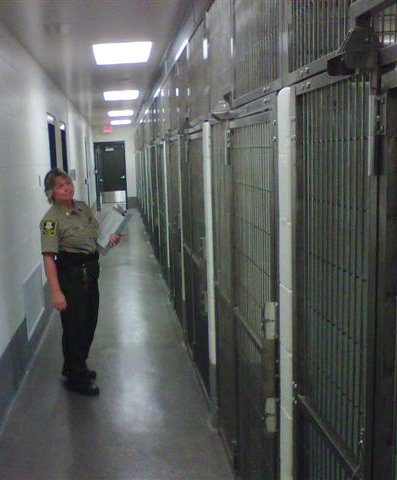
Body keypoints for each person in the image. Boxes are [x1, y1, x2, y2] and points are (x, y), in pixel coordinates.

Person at [40, 168, 123, 396]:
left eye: (67, 183)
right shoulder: (50, 220)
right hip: (71, 277)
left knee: (89, 323)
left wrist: (110, 240)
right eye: (60, 186)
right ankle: (76, 376)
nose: (66, 188)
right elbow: (48, 258)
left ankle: (75, 366)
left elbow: (95, 241)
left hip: (91, 272)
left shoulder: (83, 208)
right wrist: (56, 292)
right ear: (51, 192)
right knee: (75, 327)